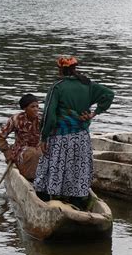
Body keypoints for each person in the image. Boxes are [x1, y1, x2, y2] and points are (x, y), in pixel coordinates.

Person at [34, 56, 114, 210]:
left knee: (56, 164)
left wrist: (43, 137)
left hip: (61, 136)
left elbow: (49, 116)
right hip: (82, 136)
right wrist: (95, 113)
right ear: (74, 69)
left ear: (60, 70)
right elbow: (109, 94)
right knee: (78, 165)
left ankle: (51, 196)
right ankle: (77, 199)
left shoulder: (57, 87)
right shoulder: (87, 85)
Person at [0, 94, 41, 180]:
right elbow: (1, 136)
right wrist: (7, 152)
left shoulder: (41, 120)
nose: (36, 109)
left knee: (41, 153)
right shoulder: (16, 119)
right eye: (32, 107)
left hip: (38, 148)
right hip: (21, 150)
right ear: (25, 109)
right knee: (32, 153)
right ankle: (30, 179)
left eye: (37, 106)